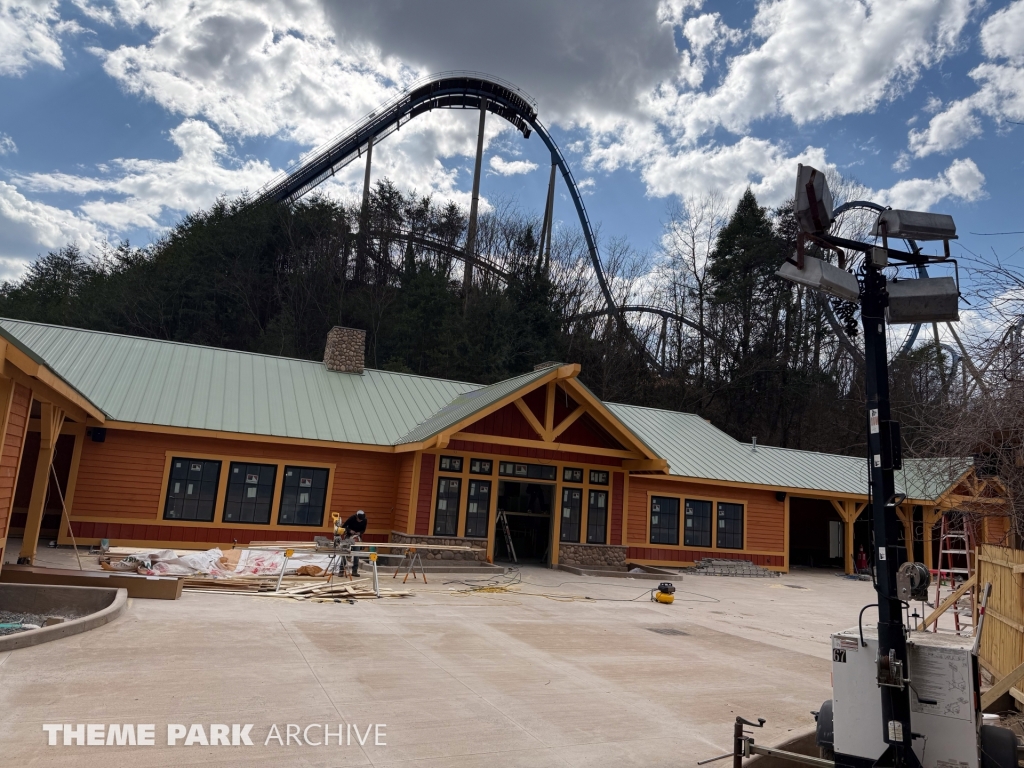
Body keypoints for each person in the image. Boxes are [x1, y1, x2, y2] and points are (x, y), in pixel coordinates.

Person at [341, 510, 368, 576]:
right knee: (344, 553)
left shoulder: (364, 520)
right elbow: (343, 526)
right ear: (356, 517)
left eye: (361, 520)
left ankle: (354, 571)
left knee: (356, 554)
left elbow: (363, 530)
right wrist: (350, 530)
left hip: (357, 538)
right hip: (349, 536)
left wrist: (360, 533)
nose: (360, 521)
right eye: (359, 519)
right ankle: (341, 570)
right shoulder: (352, 518)